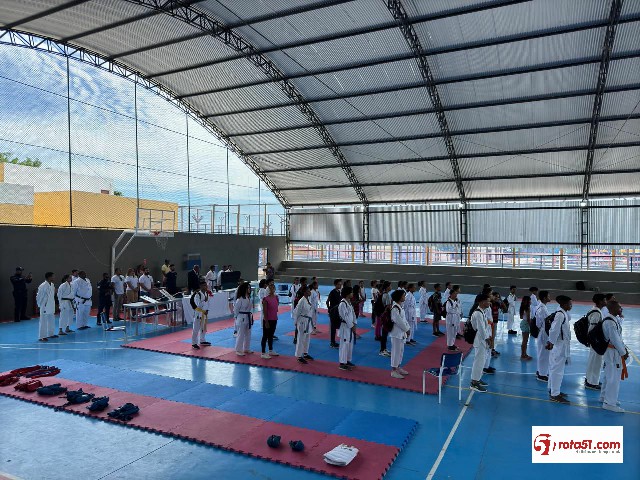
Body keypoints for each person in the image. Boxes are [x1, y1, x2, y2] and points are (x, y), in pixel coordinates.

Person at [600, 300, 629, 413]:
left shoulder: (612, 319)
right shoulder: (610, 322)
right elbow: (615, 340)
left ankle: (604, 397)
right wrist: (623, 352)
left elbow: (618, 337)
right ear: (612, 309)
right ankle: (609, 403)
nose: (621, 309)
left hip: (611, 352)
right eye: (619, 307)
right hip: (612, 353)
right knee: (613, 378)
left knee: (609, 375)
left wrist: (623, 349)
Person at [547, 295, 573, 404]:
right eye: (570, 304)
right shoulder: (560, 315)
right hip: (559, 347)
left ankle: (552, 389)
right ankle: (555, 394)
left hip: (561, 346)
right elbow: (554, 330)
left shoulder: (563, 313)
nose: (571, 305)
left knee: (555, 369)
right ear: (564, 304)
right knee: (557, 371)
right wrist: (551, 343)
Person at [469, 294, 491, 392]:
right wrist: (488, 339)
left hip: (482, 339)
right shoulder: (478, 313)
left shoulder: (482, 312)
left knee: (482, 361)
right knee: (478, 361)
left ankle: (477, 379)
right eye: (488, 301)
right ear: (482, 302)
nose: (489, 303)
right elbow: (481, 329)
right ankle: (474, 383)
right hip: (480, 340)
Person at [585, 293, 607, 390]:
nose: (606, 301)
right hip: (595, 342)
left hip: (593, 341)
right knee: (596, 362)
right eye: (604, 300)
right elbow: (592, 329)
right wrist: (595, 341)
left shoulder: (594, 310)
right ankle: (592, 383)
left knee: (592, 361)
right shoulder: (597, 313)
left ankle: (589, 379)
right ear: (600, 301)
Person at [389, 289, 410, 379]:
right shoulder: (395, 308)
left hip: (401, 333)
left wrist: (408, 328)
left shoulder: (400, 307)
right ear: (399, 297)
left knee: (400, 351)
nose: (404, 297)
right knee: (396, 352)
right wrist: (406, 329)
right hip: (396, 333)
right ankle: (393, 370)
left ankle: (397, 367)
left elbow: (404, 320)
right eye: (403, 296)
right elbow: (399, 321)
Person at [294, 285, 314, 364]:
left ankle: (305, 353)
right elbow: (296, 312)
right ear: (305, 292)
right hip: (302, 321)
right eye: (308, 291)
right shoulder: (301, 301)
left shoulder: (308, 299)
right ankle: (299, 356)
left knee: (307, 338)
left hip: (308, 321)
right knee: (301, 338)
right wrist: (296, 322)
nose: (310, 292)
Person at [338, 286, 356, 371]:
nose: (352, 293)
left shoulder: (349, 302)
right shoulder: (342, 304)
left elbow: (353, 314)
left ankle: (347, 360)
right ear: (347, 294)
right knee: (344, 345)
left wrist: (354, 323)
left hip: (350, 326)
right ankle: (342, 363)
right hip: (345, 327)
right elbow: (345, 317)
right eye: (351, 292)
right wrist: (352, 326)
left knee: (350, 344)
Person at [534, 291, 551, 382]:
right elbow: (540, 322)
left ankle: (540, 371)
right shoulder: (542, 309)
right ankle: (542, 375)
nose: (549, 297)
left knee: (541, 352)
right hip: (544, 332)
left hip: (542, 331)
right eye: (548, 296)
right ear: (544, 298)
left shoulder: (541, 307)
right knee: (544, 354)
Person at [260, 282, 280, 358]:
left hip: (274, 318)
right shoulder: (266, 299)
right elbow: (264, 311)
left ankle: (271, 350)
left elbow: (276, 308)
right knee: (265, 336)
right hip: (268, 320)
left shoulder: (276, 297)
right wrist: (266, 321)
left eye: (273, 287)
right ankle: (263, 353)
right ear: (268, 289)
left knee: (271, 335)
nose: (272, 289)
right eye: (271, 287)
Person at [36, 272, 56, 341]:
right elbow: (39, 296)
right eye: (53, 276)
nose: (54, 277)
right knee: (43, 321)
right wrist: (39, 305)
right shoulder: (43, 285)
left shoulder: (52, 285)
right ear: (49, 277)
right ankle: (42, 336)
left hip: (51, 304)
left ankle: (51, 334)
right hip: (44, 305)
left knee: (51, 320)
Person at [190, 280, 210, 349]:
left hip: (204, 313)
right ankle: (194, 343)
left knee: (203, 328)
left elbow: (208, 303)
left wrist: (207, 310)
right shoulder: (197, 295)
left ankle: (202, 340)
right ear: (200, 286)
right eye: (204, 285)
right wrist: (204, 301)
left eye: (206, 285)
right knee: (196, 329)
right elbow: (197, 305)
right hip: (198, 313)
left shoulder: (206, 293)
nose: (206, 287)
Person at [234, 282, 253, 356]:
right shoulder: (240, 299)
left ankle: (246, 348)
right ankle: (238, 350)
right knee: (240, 334)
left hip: (248, 317)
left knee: (248, 334)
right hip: (241, 317)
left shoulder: (249, 298)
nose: (249, 289)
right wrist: (237, 317)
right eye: (248, 288)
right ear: (244, 289)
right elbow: (236, 310)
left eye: (249, 288)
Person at [327, 279, 343, 348]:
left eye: (341, 284)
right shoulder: (332, 292)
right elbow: (327, 301)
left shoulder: (339, 292)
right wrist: (329, 310)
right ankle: (332, 342)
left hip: (338, 311)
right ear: (335, 285)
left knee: (338, 326)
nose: (340, 285)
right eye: (339, 284)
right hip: (333, 312)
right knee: (333, 328)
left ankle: (335, 341)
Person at [519, 295, 533, 360]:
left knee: (524, 340)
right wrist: (531, 326)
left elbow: (521, 317)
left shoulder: (522, 307)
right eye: (530, 300)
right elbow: (528, 319)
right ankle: (523, 355)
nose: (531, 301)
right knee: (525, 341)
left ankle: (524, 354)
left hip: (523, 323)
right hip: (526, 324)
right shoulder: (528, 308)